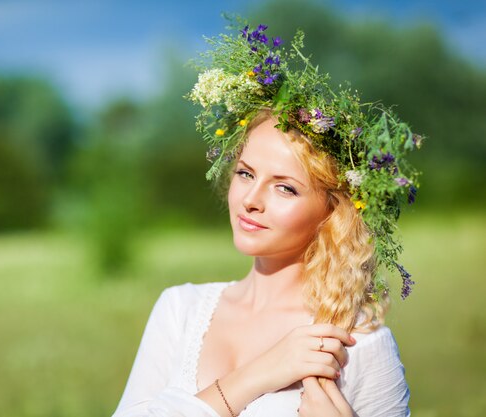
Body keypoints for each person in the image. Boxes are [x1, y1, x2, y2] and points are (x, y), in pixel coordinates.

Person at [112, 20, 420, 417]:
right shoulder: (180, 309)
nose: (251, 200)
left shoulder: (357, 342)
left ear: (332, 209)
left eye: (285, 187)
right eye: (246, 174)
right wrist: (260, 373)